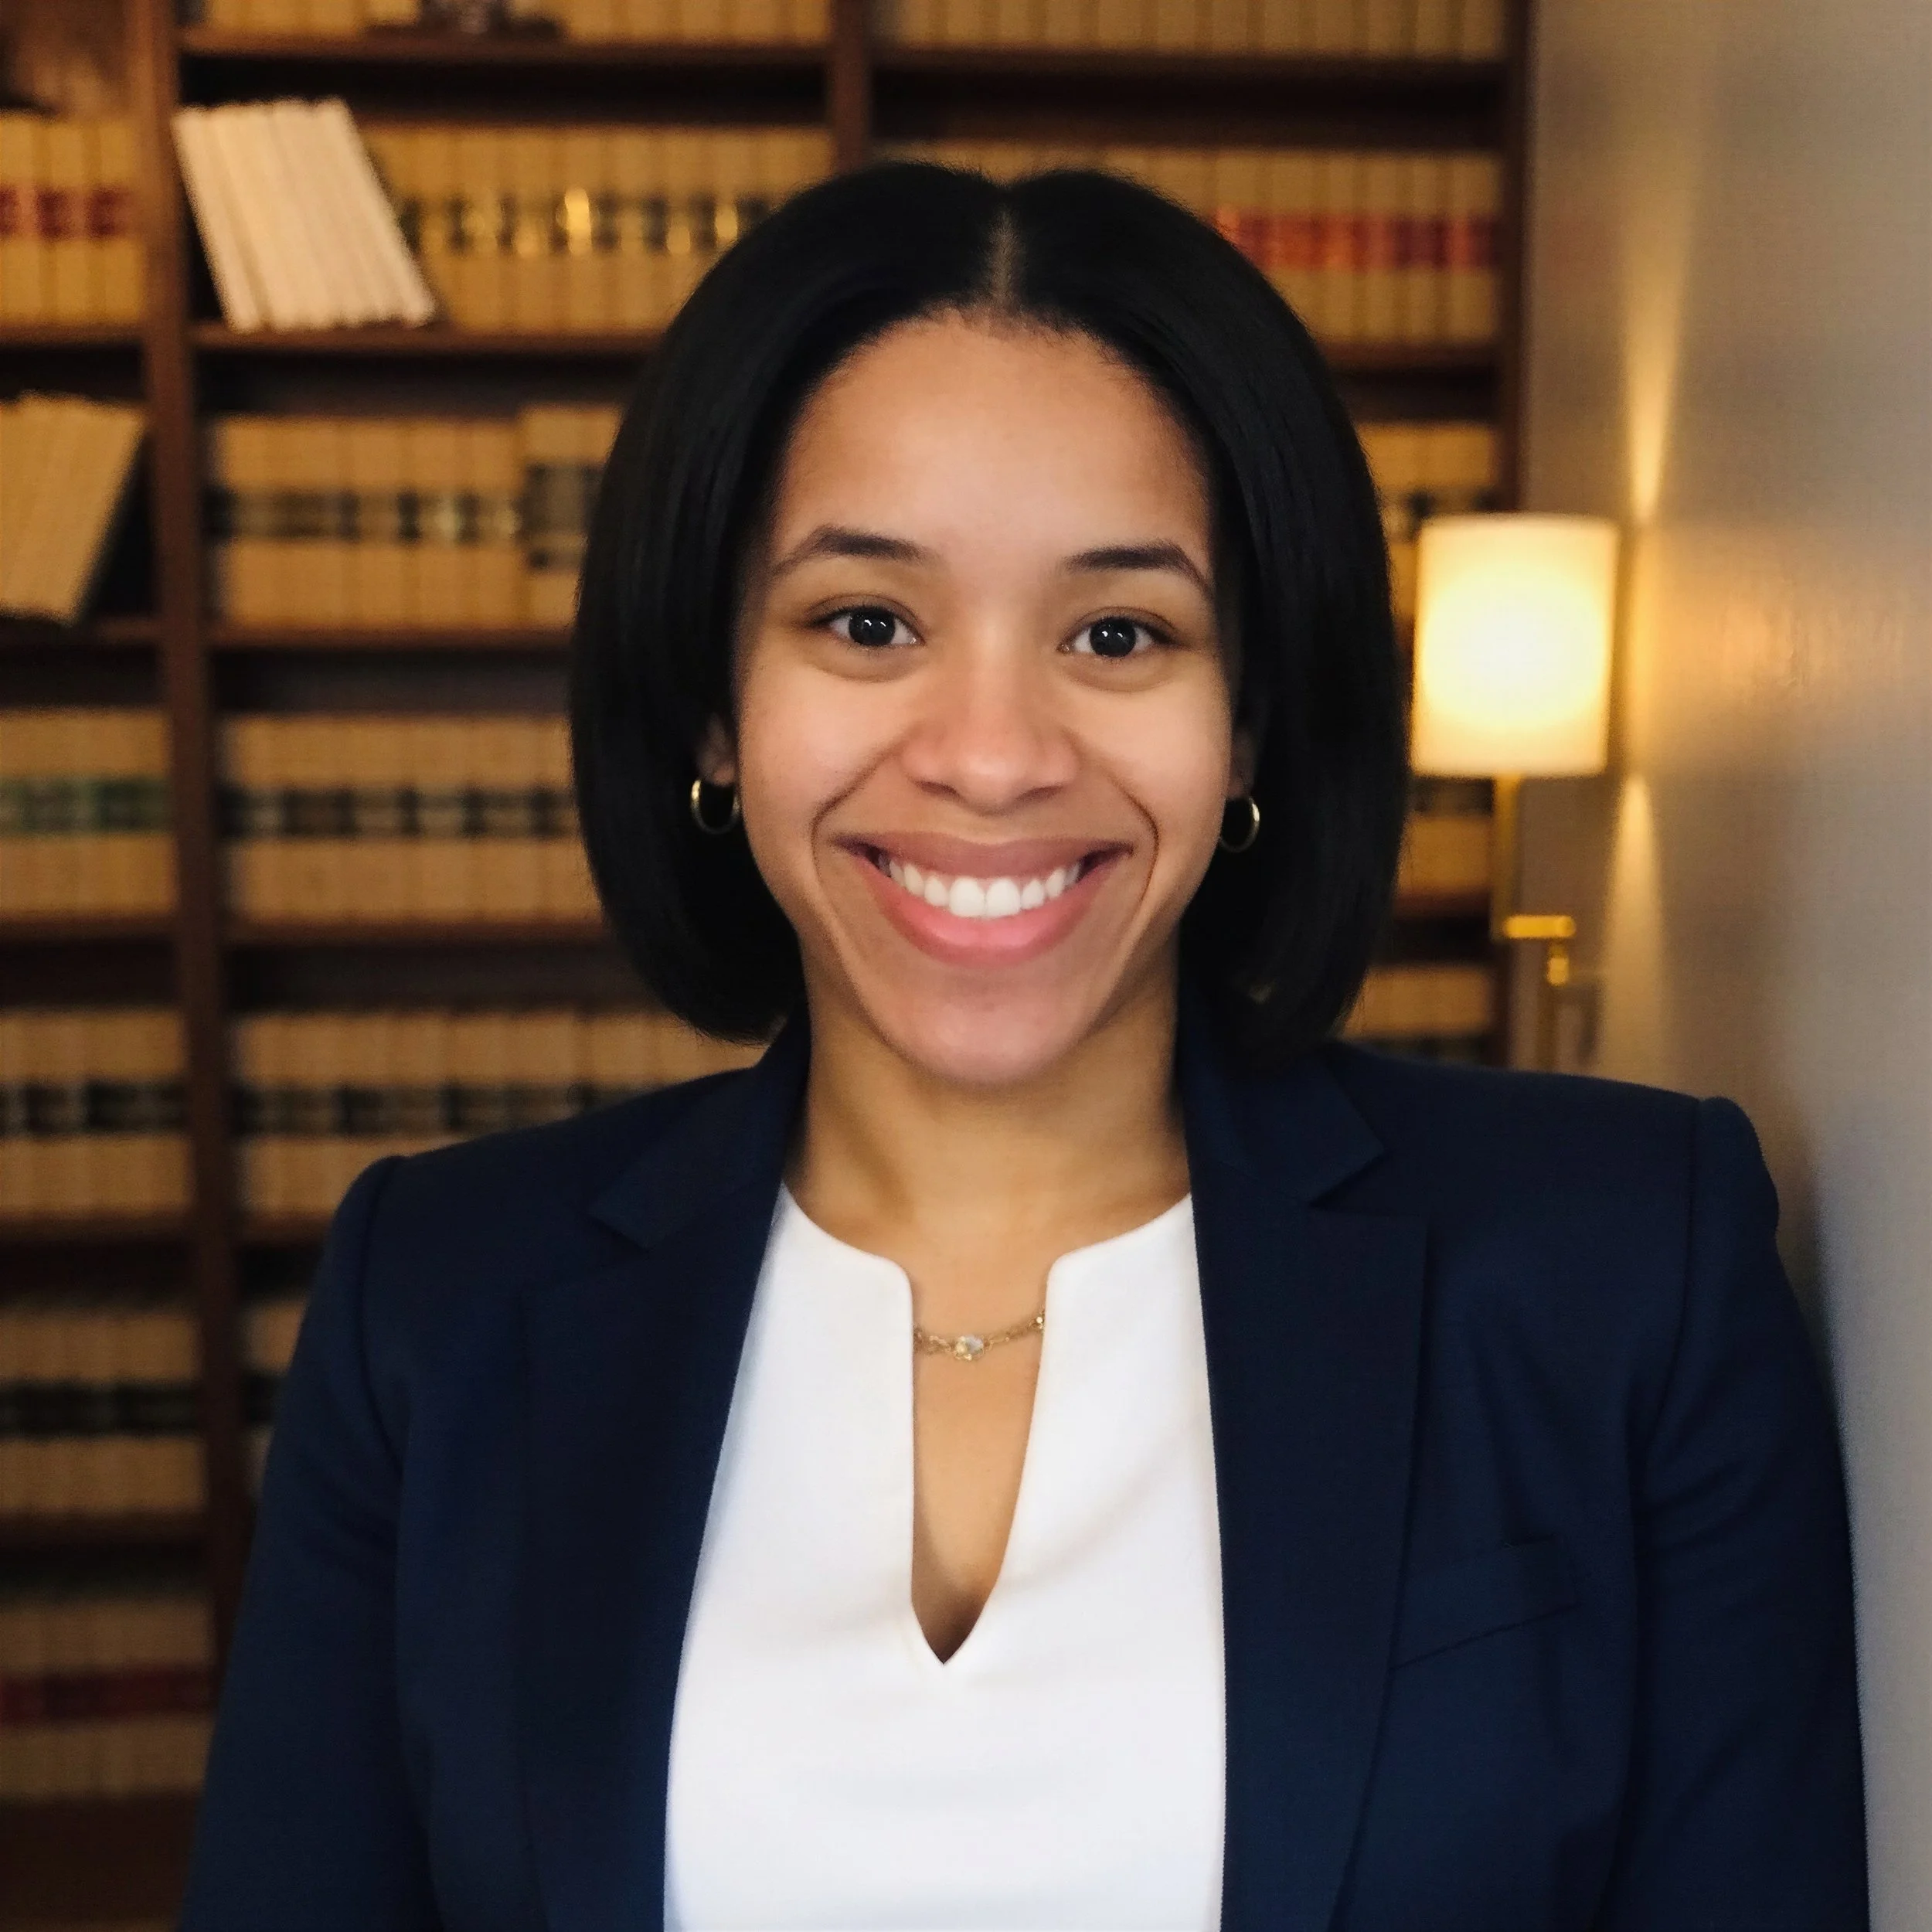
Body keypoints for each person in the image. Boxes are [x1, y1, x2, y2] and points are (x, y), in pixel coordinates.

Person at [179, 164, 1866, 1932]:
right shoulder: (433, 1304)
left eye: (1116, 631)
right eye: (866, 621)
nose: (989, 755)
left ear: (1249, 720)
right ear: (711, 703)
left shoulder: (1624, 1265)